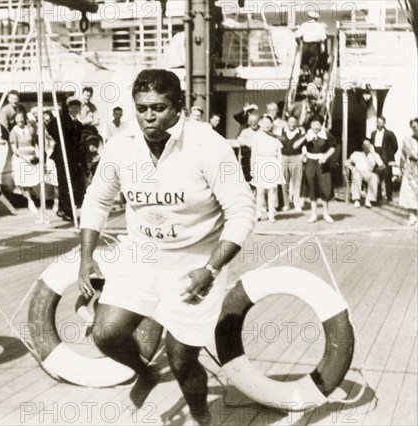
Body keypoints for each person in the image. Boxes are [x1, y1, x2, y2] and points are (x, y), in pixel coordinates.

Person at [78, 69, 255, 425]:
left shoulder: (208, 144)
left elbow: (242, 212)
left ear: (179, 107)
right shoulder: (120, 145)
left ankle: (203, 417)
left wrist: (211, 269)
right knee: (106, 333)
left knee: (181, 358)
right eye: (141, 108)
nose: (148, 116)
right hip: (140, 257)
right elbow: (96, 201)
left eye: (158, 108)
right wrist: (86, 260)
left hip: (196, 264)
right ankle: (145, 374)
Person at [46, 96, 87, 222]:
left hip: (73, 158)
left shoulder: (79, 125)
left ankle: (67, 209)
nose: (75, 109)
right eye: (72, 107)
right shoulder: (61, 120)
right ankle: (62, 209)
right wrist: (60, 138)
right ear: (68, 108)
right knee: (64, 184)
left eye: (77, 107)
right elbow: (50, 127)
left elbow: (78, 144)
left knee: (75, 184)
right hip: (62, 157)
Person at [300, 115, 336, 223]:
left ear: (321, 124)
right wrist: (304, 155)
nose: (315, 126)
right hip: (310, 163)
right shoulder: (306, 135)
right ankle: (314, 214)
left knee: (325, 187)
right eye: (313, 124)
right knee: (312, 187)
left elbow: (333, 146)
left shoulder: (326, 134)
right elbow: (302, 146)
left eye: (317, 124)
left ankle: (326, 214)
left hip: (322, 163)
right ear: (310, 125)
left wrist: (325, 156)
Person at [251, 114, 283, 222]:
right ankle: (258, 213)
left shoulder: (276, 137)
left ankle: (271, 214)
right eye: (265, 122)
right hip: (260, 162)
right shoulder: (257, 136)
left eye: (269, 123)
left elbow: (279, 154)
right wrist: (252, 169)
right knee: (259, 191)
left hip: (272, 163)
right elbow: (253, 154)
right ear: (260, 123)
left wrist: (279, 168)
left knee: (272, 190)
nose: (267, 125)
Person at [9, 112, 40, 214]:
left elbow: (35, 143)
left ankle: (39, 201)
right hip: (21, 158)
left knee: (35, 180)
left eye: (21, 118)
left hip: (32, 157)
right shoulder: (13, 132)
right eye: (17, 118)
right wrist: (25, 159)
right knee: (25, 182)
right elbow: (14, 148)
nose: (20, 120)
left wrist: (37, 154)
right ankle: (30, 202)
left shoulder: (30, 129)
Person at [345, 139, 385, 208]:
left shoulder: (374, 155)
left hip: (368, 173)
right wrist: (352, 168)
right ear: (362, 146)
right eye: (365, 145)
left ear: (371, 146)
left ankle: (369, 199)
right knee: (356, 175)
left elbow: (381, 165)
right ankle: (356, 199)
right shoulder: (357, 154)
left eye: (368, 145)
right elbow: (347, 163)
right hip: (358, 172)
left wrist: (373, 152)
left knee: (374, 177)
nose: (367, 146)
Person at [370, 116, 398, 202]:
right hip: (376, 156)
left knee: (387, 177)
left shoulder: (390, 134)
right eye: (378, 122)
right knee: (377, 176)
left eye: (381, 122)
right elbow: (371, 145)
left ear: (384, 123)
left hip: (386, 158)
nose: (379, 124)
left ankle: (389, 196)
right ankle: (378, 196)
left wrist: (389, 155)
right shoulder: (373, 133)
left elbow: (395, 146)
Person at [280, 115, 305, 212]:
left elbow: (304, 146)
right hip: (284, 157)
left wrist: (303, 157)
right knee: (284, 182)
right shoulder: (282, 131)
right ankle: (286, 204)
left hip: (297, 157)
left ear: (297, 123)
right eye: (290, 122)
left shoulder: (300, 132)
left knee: (296, 182)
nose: (292, 124)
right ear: (287, 122)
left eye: (294, 122)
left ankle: (297, 204)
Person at [296, 10, 327, 78]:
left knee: (305, 61)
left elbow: (297, 36)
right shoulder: (319, 26)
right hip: (315, 46)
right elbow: (323, 38)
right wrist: (322, 48)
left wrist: (299, 45)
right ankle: (311, 79)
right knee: (313, 64)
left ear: (309, 17)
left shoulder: (304, 25)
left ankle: (304, 76)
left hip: (305, 46)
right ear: (316, 18)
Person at [398, 118, 418, 225]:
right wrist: (401, 169)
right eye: (414, 127)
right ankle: (412, 215)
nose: (417, 129)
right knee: (409, 192)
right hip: (411, 169)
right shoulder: (407, 140)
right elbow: (402, 155)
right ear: (411, 128)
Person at [236, 112, 261, 182]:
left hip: (261, 156)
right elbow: (239, 140)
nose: (253, 123)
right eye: (251, 121)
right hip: (250, 156)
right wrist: (248, 143)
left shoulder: (262, 130)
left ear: (258, 121)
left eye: (255, 121)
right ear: (248, 122)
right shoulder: (245, 131)